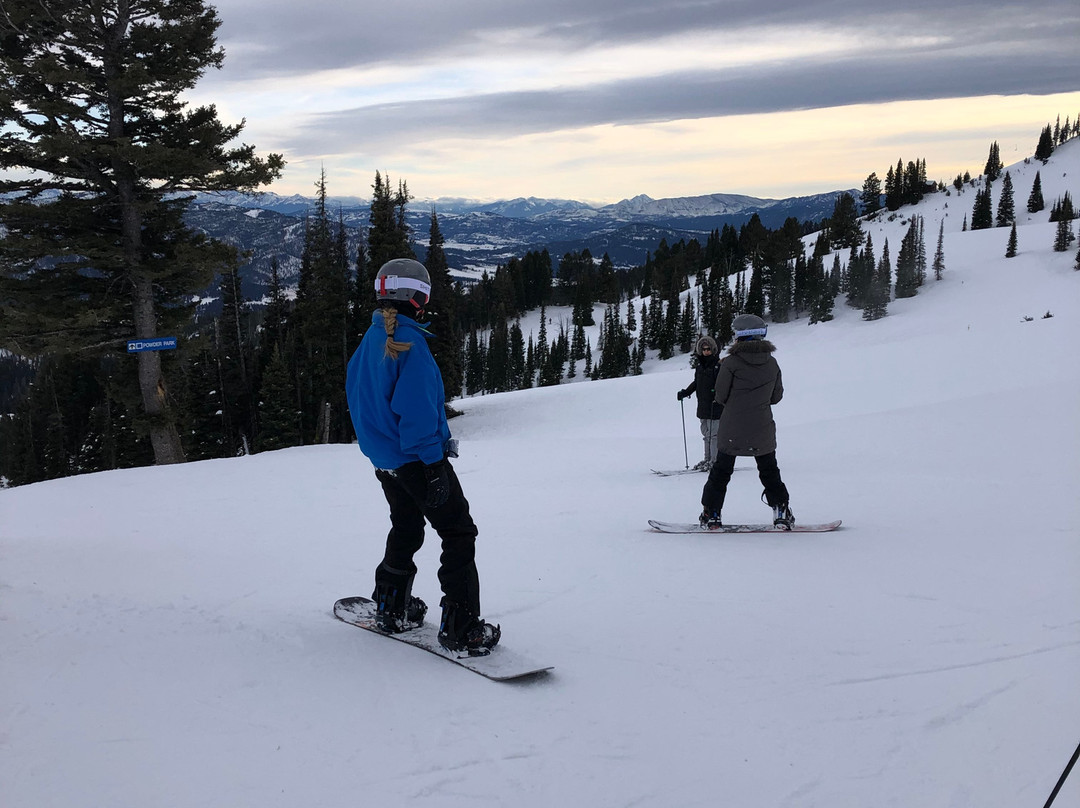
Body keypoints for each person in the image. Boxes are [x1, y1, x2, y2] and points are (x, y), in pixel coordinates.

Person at [345, 258, 500, 656]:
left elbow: (360, 400)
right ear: (418, 297)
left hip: (387, 461)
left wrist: (381, 450)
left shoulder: (372, 338)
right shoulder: (409, 345)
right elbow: (415, 414)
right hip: (416, 459)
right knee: (458, 532)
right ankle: (462, 627)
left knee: (407, 526)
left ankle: (391, 605)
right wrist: (433, 465)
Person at [699, 313, 794, 529]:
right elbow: (776, 397)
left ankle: (712, 513)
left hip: (732, 427)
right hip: (762, 427)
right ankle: (781, 511)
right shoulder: (772, 363)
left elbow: (720, 396)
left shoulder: (731, 363)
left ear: (739, 336)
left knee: (721, 472)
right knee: (769, 471)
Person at [677, 335, 724, 470]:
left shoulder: (718, 366)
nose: (706, 351)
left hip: (715, 405)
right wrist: (686, 392)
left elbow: (722, 385)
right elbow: (697, 383)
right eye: (703, 349)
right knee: (706, 434)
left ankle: (714, 461)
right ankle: (707, 459)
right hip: (703, 405)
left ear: (713, 349)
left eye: (708, 349)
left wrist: (717, 396)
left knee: (714, 435)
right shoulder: (700, 367)